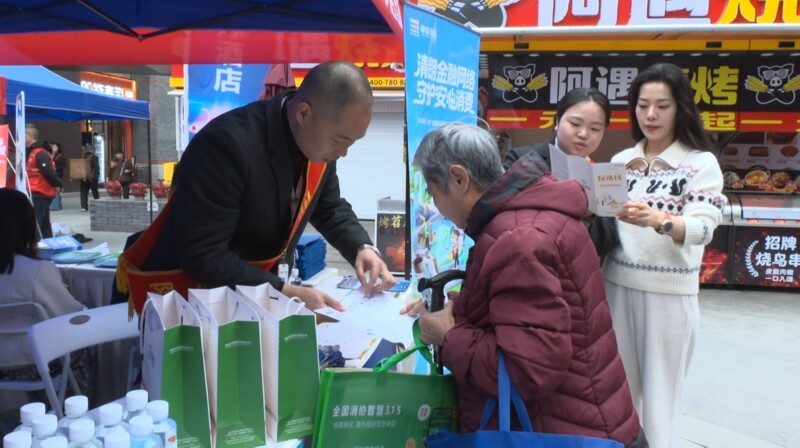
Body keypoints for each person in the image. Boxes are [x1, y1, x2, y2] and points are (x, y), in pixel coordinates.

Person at [403, 123, 645, 446]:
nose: (437, 208)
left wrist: (448, 336)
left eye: (434, 194)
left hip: (567, 432)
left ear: (459, 178)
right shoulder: (535, 215)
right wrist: (469, 308)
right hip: (589, 416)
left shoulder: (517, 240)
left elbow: (528, 372)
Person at [121, 61, 395, 313]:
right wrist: (284, 292)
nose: (343, 153)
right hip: (191, 298)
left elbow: (329, 207)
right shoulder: (227, 144)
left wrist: (362, 248)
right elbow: (204, 254)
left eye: (352, 142)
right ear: (303, 113)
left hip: (251, 295)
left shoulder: (318, 145)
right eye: (339, 140)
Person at [603, 63, 726, 448]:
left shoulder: (700, 163)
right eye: (643, 105)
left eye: (662, 106)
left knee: (660, 402)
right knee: (616, 397)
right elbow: (603, 221)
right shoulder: (620, 161)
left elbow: (704, 228)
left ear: (681, 108)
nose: (651, 115)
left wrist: (661, 221)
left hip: (669, 296)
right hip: (615, 286)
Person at [503, 87, 618, 259]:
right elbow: (499, 212)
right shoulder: (523, 159)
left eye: (595, 129)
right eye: (575, 124)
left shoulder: (603, 178)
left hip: (573, 271)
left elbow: (607, 243)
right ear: (557, 121)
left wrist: (591, 216)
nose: (583, 134)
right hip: (522, 260)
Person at [0, 188, 90, 400]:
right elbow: (72, 314)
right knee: (87, 339)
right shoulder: (36, 271)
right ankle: (78, 407)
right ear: (27, 227)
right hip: (36, 363)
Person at [25, 127, 61, 238]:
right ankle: (47, 242)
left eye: (24, 135)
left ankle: (38, 243)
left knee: (38, 222)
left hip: (39, 191)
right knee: (43, 222)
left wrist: (57, 184)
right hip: (37, 190)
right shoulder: (33, 152)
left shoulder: (39, 153)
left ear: (30, 136)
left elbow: (48, 172)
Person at [79, 143, 100, 211]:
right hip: (92, 178)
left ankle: (83, 207)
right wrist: (97, 175)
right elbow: (96, 168)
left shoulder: (82, 156)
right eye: (94, 150)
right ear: (92, 150)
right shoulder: (94, 157)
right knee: (95, 192)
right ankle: (97, 205)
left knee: (83, 193)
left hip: (83, 177)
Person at [50, 141, 65, 211]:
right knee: (54, 190)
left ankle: (57, 205)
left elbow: (63, 165)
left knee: (57, 189)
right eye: (53, 146)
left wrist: (55, 168)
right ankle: (55, 205)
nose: (53, 148)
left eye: (55, 147)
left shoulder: (60, 156)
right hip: (52, 174)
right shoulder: (51, 154)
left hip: (58, 174)